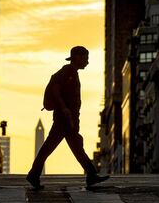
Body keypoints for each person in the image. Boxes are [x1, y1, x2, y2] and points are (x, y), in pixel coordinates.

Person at [26, 46, 110, 190]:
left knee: (73, 147)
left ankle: (91, 175)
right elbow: (56, 89)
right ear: (78, 57)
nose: (88, 62)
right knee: (53, 147)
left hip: (68, 119)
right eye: (86, 58)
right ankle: (90, 175)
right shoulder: (67, 71)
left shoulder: (72, 73)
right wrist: (64, 108)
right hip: (63, 119)